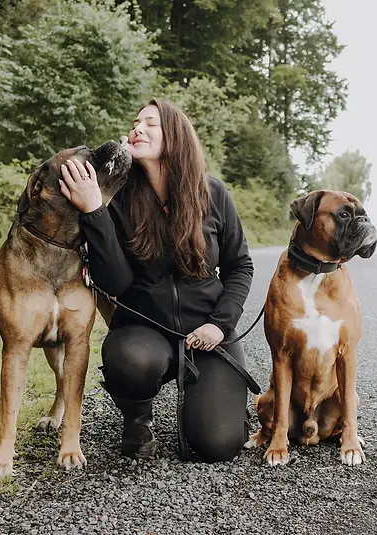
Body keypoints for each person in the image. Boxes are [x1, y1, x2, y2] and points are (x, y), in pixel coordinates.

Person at [58, 98, 254, 462]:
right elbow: (114, 282)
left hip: (208, 333)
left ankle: (212, 402)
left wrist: (219, 324)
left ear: (176, 136)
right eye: (134, 122)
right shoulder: (116, 200)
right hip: (143, 331)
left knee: (217, 445)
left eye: (151, 123)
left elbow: (240, 267)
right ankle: (137, 418)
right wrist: (94, 211)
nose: (137, 128)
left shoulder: (212, 193)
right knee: (130, 357)